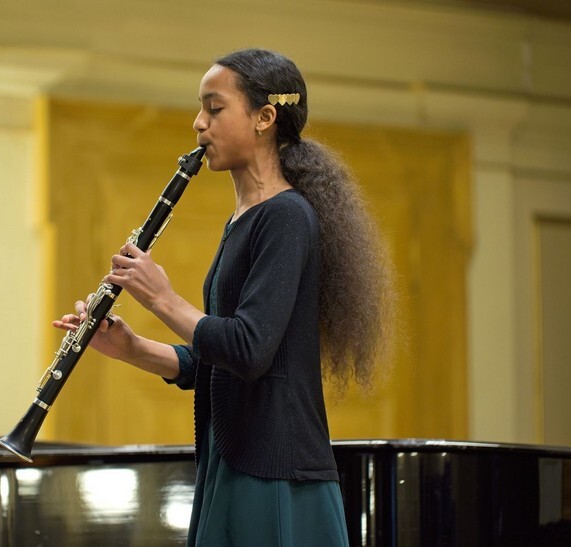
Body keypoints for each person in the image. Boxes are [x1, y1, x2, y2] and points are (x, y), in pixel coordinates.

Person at [54, 48, 394, 547]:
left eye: (214, 108)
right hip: (237, 457)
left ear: (264, 118)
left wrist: (161, 297)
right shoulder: (243, 221)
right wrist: (131, 348)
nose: (198, 123)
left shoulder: (286, 216)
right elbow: (217, 361)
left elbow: (248, 349)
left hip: (274, 470)